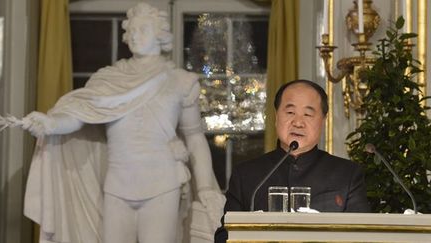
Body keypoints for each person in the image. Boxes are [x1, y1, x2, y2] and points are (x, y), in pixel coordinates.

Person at [18, 3, 224, 243]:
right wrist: (52, 123)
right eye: (132, 31)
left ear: (160, 34)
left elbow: (195, 137)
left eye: (143, 29)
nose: (135, 36)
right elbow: (79, 115)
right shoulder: (109, 79)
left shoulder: (180, 82)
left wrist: (206, 189)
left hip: (162, 184)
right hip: (117, 184)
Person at [214, 79, 370, 242]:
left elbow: (363, 235)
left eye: (308, 114)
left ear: (323, 122)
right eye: (290, 112)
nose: (298, 122)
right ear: (276, 117)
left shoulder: (347, 174)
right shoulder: (246, 175)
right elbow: (225, 235)